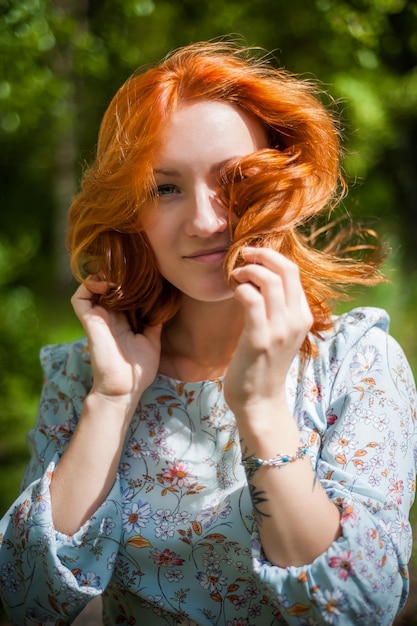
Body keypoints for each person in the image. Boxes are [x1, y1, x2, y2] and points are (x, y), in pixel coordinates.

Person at [0, 40, 416, 626]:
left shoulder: (357, 361)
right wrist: (113, 399)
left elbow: (361, 608)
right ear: (129, 211)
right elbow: (28, 602)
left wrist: (262, 408)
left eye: (235, 180)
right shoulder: (84, 373)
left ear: (285, 184)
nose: (204, 220)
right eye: (165, 188)